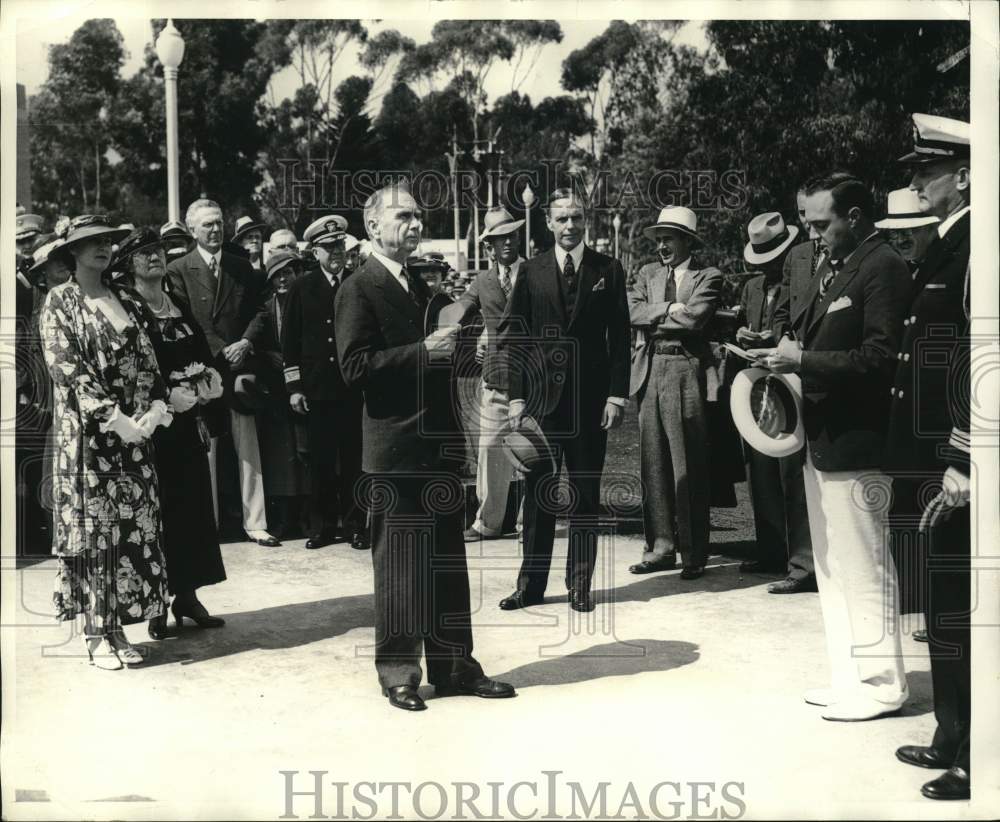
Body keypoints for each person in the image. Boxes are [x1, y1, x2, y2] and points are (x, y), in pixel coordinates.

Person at [336, 184, 515, 711]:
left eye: (419, 216)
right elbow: (353, 369)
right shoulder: (358, 287)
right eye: (403, 216)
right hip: (393, 449)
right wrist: (423, 351)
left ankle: (455, 664)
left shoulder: (420, 284)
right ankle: (398, 673)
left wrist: (465, 352)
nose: (415, 225)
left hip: (437, 446)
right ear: (373, 226)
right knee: (397, 564)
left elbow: (435, 362)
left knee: (444, 561)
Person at [765, 172, 912, 721]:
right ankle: (849, 674)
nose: (813, 232)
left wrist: (802, 361)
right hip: (822, 438)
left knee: (865, 566)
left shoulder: (883, 267)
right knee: (831, 565)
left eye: (822, 223)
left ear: (855, 217)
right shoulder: (838, 264)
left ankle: (883, 683)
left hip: (859, 443)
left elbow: (881, 358)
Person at [40, 215, 174, 669]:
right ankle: (98, 631)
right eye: (91, 242)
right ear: (71, 252)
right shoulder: (60, 301)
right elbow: (68, 371)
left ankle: (118, 626)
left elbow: (152, 366)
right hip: (90, 442)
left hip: (136, 439)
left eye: (107, 241)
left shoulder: (129, 302)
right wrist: (116, 419)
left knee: (131, 531)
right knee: (97, 534)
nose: (102, 248)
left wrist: (155, 411)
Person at [885, 113, 972, 801]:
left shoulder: (978, 244)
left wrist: (964, 456)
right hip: (935, 449)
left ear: (964, 173)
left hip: (960, 456)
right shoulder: (946, 244)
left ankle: (975, 749)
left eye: (928, 170)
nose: (917, 181)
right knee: (944, 599)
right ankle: (953, 733)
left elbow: (980, 359)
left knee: (962, 602)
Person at [498, 187, 631, 611]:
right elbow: (516, 337)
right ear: (549, 224)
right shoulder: (531, 271)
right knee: (538, 494)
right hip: (541, 404)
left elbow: (620, 337)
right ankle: (530, 586)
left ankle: (580, 586)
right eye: (562, 219)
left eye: (576, 217)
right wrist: (516, 399)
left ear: (584, 220)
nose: (570, 226)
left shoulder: (608, 268)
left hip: (591, 404)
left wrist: (616, 396)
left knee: (585, 495)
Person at [117, 227, 228, 637]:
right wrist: (166, 395)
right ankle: (156, 604)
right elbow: (130, 366)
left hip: (187, 425)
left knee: (192, 509)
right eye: (144, 254)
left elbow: (199, 349)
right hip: (149, 428)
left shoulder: (176, 301)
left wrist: (209, 378)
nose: (154, 259)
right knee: (159, 514)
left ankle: (188, 595)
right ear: (128, 265)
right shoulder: (126, 306)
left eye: (158, 251)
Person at [167, 199, 279, 546]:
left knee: (249, 446)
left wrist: (245, 342)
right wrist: (219, 350)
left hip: (240, 367)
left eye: (218, 223)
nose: (215, 230)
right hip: (203, 370)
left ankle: (255, 522)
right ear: (192, 231)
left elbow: (262, 307)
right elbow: (187, 318)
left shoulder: (240, 265)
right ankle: (209, 525)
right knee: (209, 448)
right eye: (207, 225)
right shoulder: (179, 269)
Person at [627, 206, 721, 581]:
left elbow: (694, 319)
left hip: (686, 371)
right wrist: (668, 307)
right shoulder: (647, 273)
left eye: (669, 239)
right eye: (659, 239)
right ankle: (661, 548)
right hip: (649, 371)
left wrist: (656, 317)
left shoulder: (708, 276)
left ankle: (694, 552)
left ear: (687, 241)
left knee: (688, 464)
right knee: (654, 464)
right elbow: (630, 311)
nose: (662, 246)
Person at [735, 212, 815, 594]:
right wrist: (743, 334)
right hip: (759, 380)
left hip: (790, 380)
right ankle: (769, 550)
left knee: (791, 472)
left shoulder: (801, 281)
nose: (769, 267)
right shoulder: (751, 287)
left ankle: (801, 561)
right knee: (760, 468)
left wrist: (777, 338)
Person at [283, 216, 368, 551]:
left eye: (340, 246)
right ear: (314, 251)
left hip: (352, 388)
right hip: (317, 390)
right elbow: (289, 341)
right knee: (320, 462)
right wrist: (294, 387)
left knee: (353, 462)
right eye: (328, 247)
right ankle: (321, 527)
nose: (336, 252)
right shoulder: (301, 287)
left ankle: (356, 526)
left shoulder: (358, 282)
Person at [453, 206, 525, 542]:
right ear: (488, 247)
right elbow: (459, 308)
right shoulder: (481, 282)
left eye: (511, 235)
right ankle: (488, 523)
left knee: (533, 453)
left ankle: (530, 523)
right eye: (499, 238)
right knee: (490, 450)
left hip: (533, 379)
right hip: (495, 380)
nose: (507, 242)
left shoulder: (537, 272)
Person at [254, 249, 312, 540]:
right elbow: (256, 336)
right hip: (277, 393)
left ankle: (309, 516)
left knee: (307, 452)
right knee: (281, 456)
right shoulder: (267, 308)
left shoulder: (308, 302)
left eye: (287, 273)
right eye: (276, 275)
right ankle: (285, 518)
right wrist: (267, 355)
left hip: (307, 388)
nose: (282, 280)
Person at [875, 187, 940, 275]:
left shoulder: (945, 266)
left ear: (931, 229)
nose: (900, 240)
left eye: (907, 231)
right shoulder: (896, 272)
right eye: (894, 232)